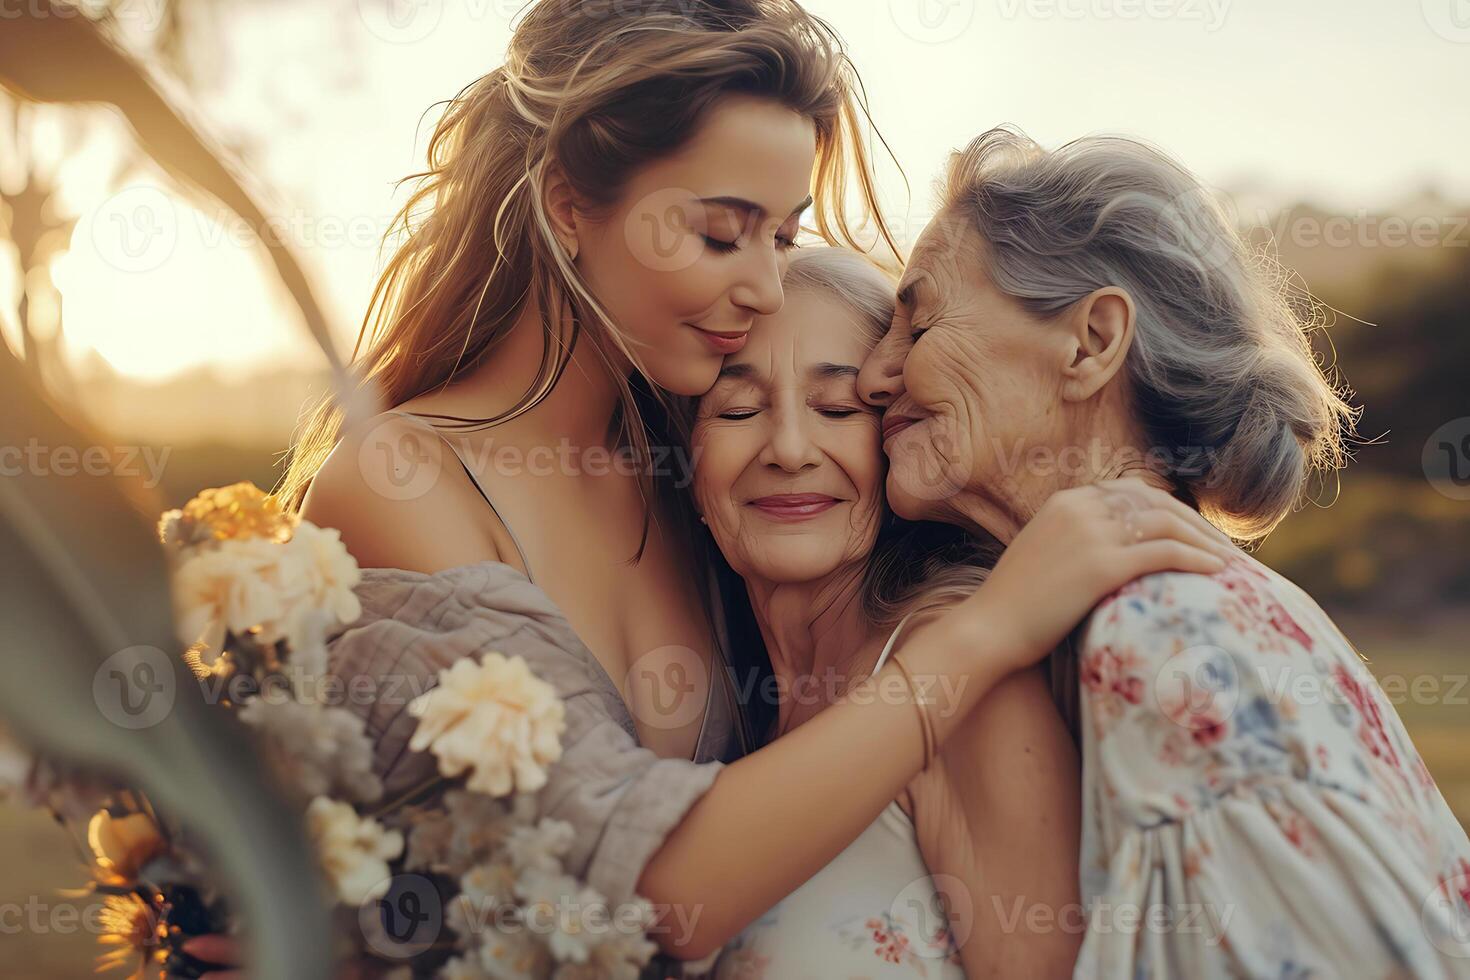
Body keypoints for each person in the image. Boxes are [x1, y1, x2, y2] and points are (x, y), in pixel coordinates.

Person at [187, 5, 1232, 975]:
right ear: (565, 204)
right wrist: (994, 626)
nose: (764, 288)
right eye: (720, 234)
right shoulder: (409, 478)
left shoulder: (691, 470)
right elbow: (649, 886)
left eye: (780, 237)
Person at [857, 125, 1470, 977]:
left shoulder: (1160, 630)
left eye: (917, 326)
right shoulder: (1151, 609)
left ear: (1091, 342)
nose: (872, 376)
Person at [692, 246, 1080, 978]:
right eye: (737, 410)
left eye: (838, 409)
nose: (789, 448)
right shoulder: (721, 713)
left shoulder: (966, 678)